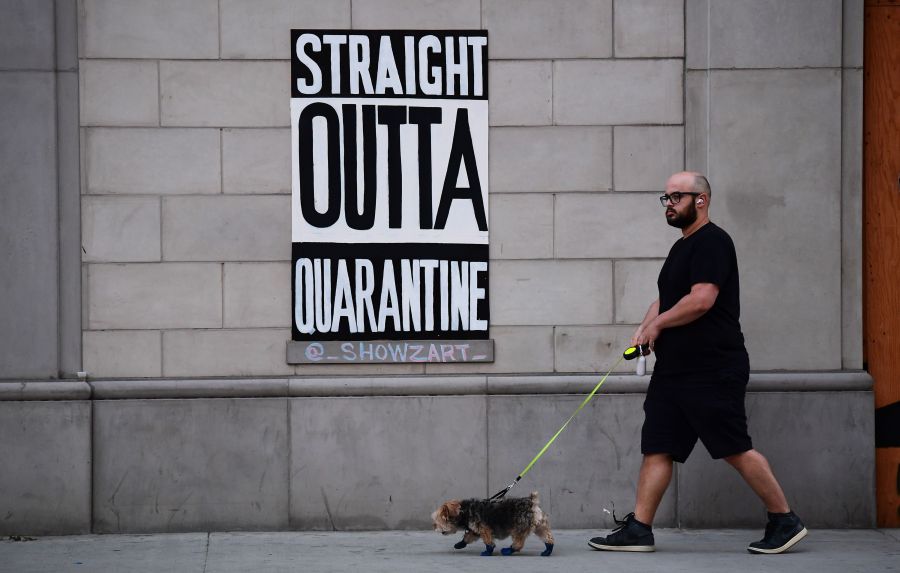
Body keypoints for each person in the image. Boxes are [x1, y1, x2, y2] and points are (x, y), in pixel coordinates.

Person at [587, 172, 807, 555]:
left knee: (733, 447)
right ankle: (640, 529)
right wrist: (645, 327)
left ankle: (785, 520)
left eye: (676, 196)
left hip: (712, 368)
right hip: (674, 371)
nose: (668, 203)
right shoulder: (681, 248)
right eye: (666, 197)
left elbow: (702, 299)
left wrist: (658, 322)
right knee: (658, 446)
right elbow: (669, 299)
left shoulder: (713, 243)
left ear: (700, 200)